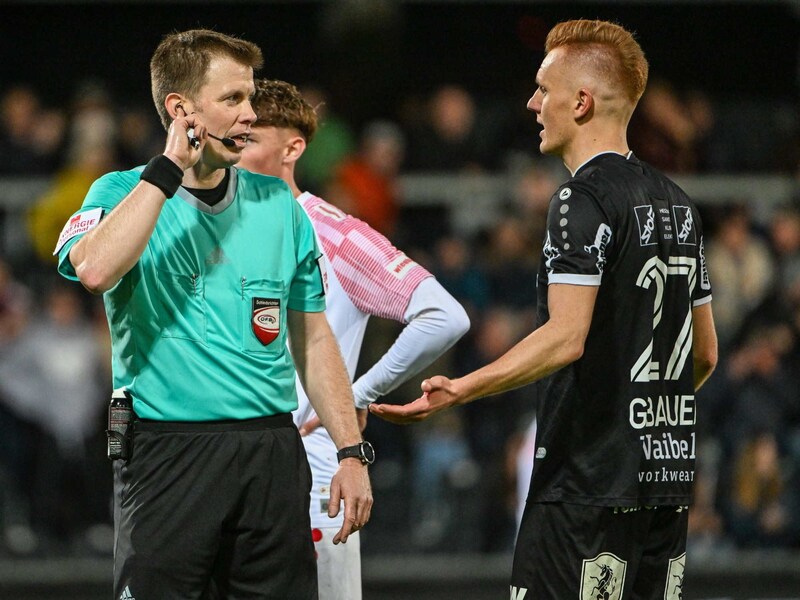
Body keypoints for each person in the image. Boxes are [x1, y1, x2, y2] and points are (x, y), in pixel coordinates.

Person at [371, 19, 718, 599]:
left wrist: (463, 388)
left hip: (584, 487)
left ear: (580, 102)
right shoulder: (679, 204)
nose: (533, 103)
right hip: (666, 481)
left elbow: (566, 337)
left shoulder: (578, 200)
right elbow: (703, 354)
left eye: (542, 89)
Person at [54, 29, 371, 599]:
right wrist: (167, 169)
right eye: (232, 100)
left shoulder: (279, 205)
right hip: (168, 455)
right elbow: (95, 270)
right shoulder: (119, 190)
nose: (250, 115)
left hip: (270, 453)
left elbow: (313, 338)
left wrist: (350, 451)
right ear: (181, 110)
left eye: (249, 99)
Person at [237, 78, 470, 600]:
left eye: (250, 137)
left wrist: (358, 395)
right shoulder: (214, 229)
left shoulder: (336, 235)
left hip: (316, 471)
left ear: (293, 148)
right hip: (231, 467)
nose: (235, 149)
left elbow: (444, 316)